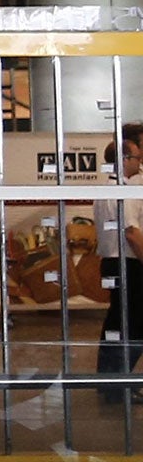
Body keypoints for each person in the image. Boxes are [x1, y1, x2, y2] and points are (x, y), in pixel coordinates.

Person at [96, 125, 143, 401]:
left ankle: (114, 382)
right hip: (126, 264)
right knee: (132, 325)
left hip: (122, 263)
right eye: (136, 157)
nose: (139, 162)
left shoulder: (117, 188)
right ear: (123, 160)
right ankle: (116, 384)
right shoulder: (119, 191)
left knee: (121, 323)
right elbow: (132, 233)